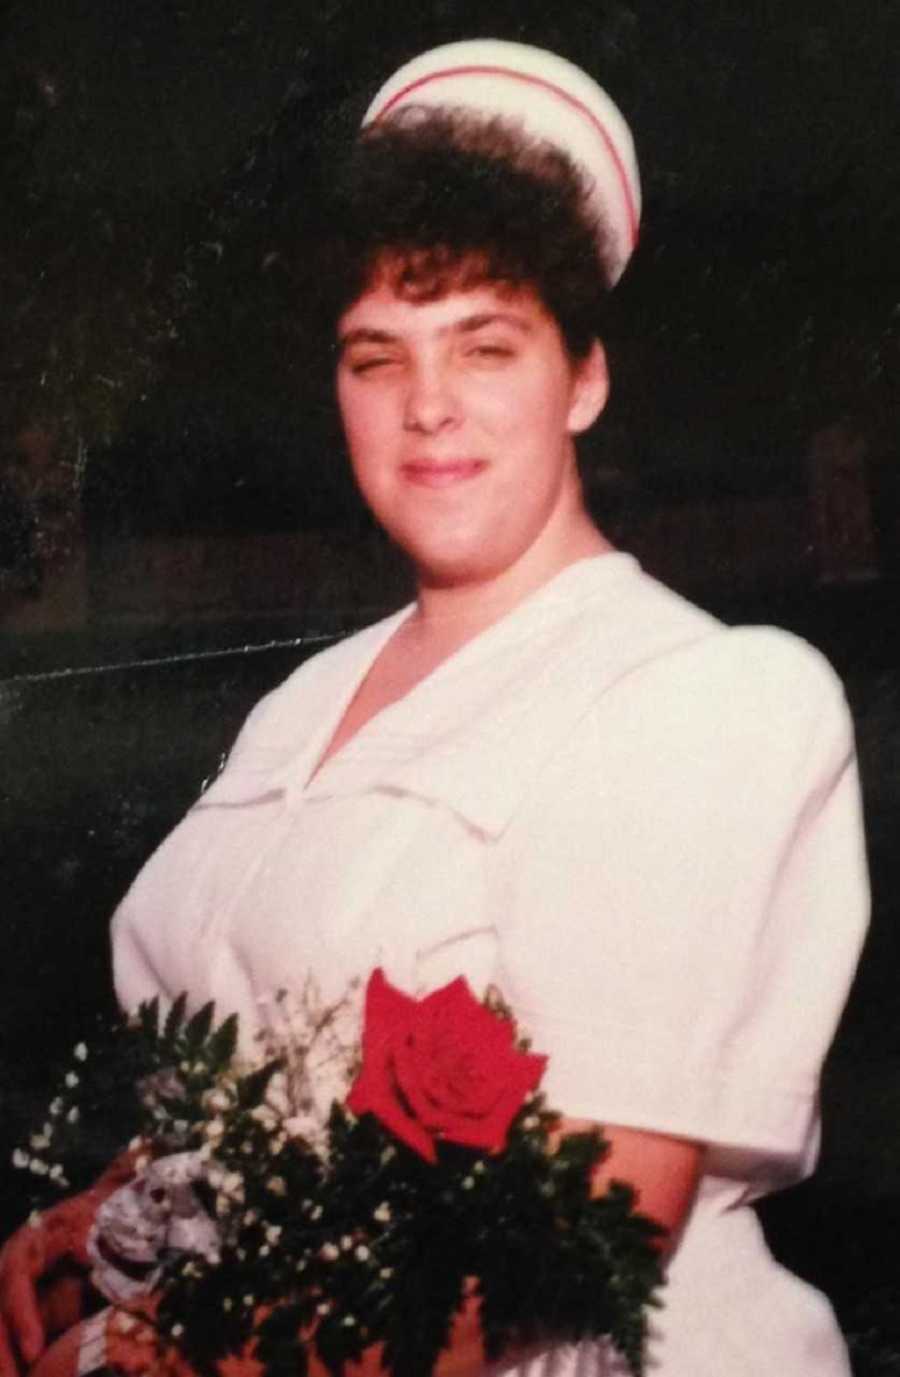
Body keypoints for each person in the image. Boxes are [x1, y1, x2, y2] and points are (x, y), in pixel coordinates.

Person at [0, 38, 868, 1377]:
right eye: (374, 354)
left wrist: (149, 1362)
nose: (428, 408)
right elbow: (270, 1066)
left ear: (584, 377)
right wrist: (106, 1212)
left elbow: (595, 1218)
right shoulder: (302, 699)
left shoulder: (703, 692)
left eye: (487, 344)